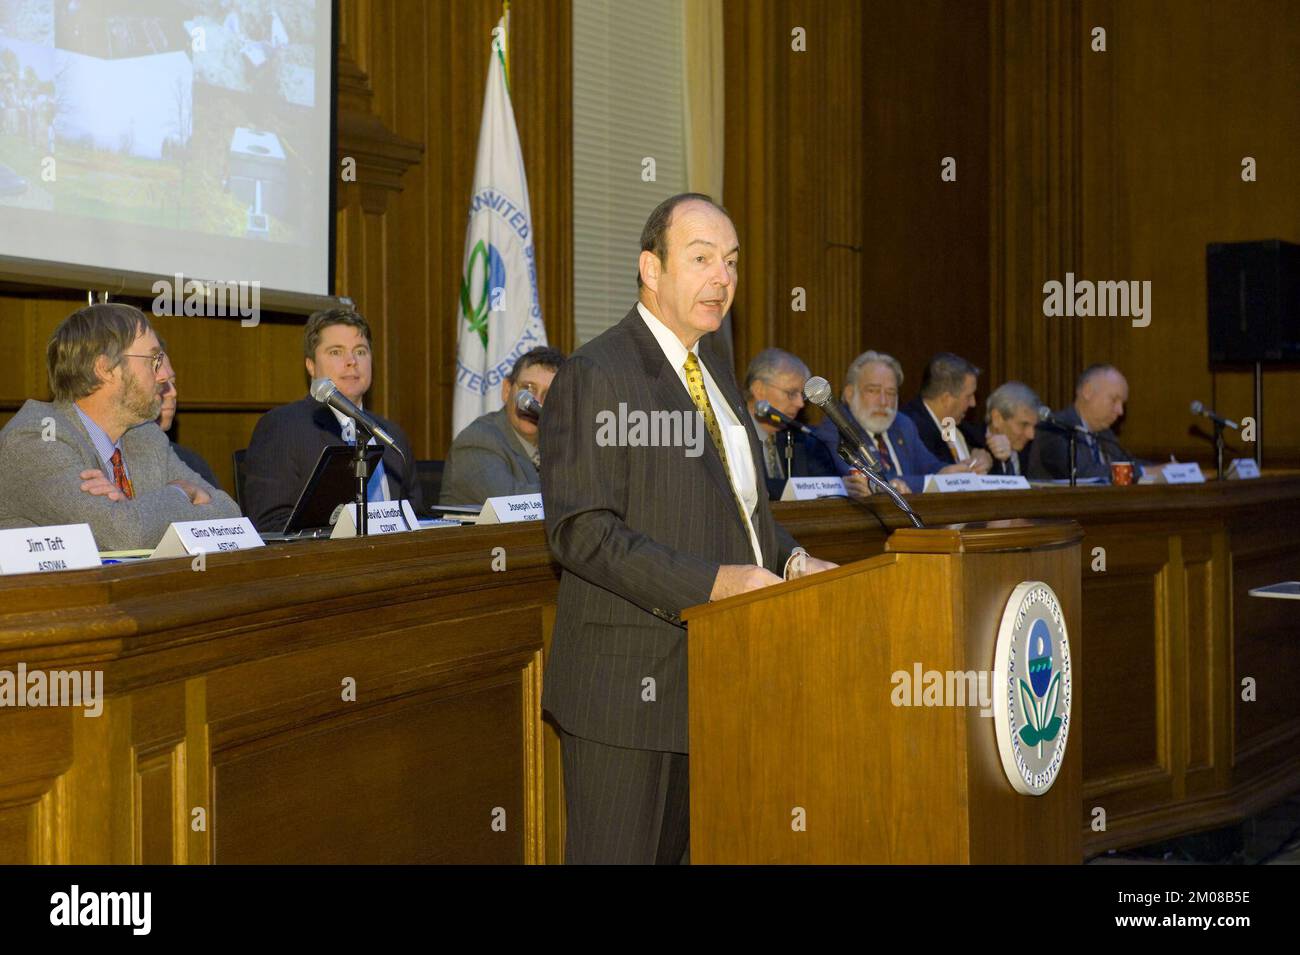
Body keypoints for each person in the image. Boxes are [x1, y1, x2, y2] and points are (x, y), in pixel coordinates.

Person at [540, 193, 836, 864]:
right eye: (701, 258)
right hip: (629, 691)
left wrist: (792, 564)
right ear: (651, 267)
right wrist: (711, 582)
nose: (722, 278)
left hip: (720, 681)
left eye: (730, 262)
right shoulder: (598, 373)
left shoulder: (717, 371)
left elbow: (742, 511)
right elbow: (582, 531)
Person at [0, 303, 238, 550]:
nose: (165, 374)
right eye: (154, 359)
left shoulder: (145, 436)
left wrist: (134, 511)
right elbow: (126, 537)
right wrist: (181, 491)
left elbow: (230, 516)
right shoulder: (36, 439)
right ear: (106, 369)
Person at [243, 307, 421, 532]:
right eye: (336, 352)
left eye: (361, 351)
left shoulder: (391, 436)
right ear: (310, 365)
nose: (352, 361)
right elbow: (272, 526)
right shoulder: (282, 427)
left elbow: (416, 517)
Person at [813, 350, 990, 496]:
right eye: (873, 391)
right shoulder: (836, 427)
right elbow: (864, 480)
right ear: (850, 394)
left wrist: (958, 470)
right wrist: (923, 481)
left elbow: (932, 467)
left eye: (891, 392)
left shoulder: (903, 424)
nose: (884, 401)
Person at [439, 346, 565, 506]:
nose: (536, 401)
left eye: (550, 393)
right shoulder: (477, 440)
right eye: (528, 388)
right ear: (507, 390)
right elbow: (513, 505)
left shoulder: (562, 443)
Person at [742, 347, 838, 499]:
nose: (800, 404)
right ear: (759, 389)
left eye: (802, 396)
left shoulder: (805, 440)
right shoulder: (732, 436)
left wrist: (842, 487)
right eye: (792, 393)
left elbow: (826, 488)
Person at [1027, 364, 1146, 481]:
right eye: (1114, 400)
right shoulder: (1054, 427)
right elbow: (1081, 472)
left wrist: (1161, 469)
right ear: (1087, 391)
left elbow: (1128, 461)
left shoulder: (1105, 434)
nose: (1120, 411)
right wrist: (1142, 471)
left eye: (1122, 403)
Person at [900, 352, 989, 466]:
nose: (973, 403)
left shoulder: (955, 423)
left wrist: (983, 457)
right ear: (946, 399)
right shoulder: (909, 429)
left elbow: (981, 447)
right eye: (968, 396)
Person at [155, 351, 219, 488]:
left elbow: (224, 508)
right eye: (161, 383)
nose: (173, 393)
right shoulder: (109, 460)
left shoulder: (190, 462)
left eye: (173, 382)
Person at [983, 381, 1041, 476]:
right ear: (997, 418)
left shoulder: (1032, 450)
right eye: (1024, 424)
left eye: (1034, 426)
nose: (1031, 435)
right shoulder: (973, 446)